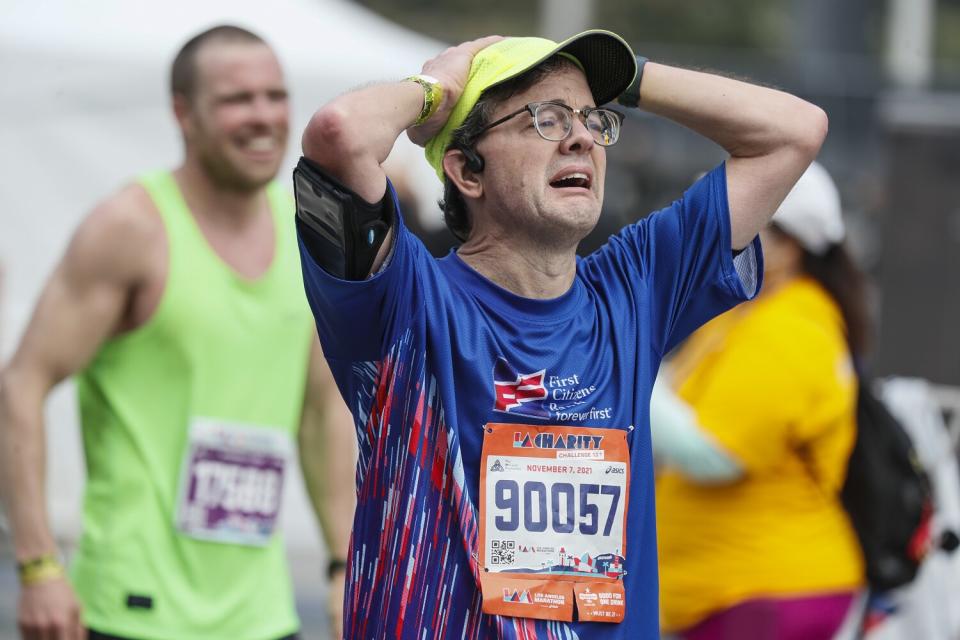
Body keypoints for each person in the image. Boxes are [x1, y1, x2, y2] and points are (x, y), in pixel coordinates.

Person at [293, 30, 826, 639]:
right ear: (467, 171)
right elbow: (338, 134)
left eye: (594, 121)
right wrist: (436, 91)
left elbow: (794, 132)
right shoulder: (407, 303)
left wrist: (625, 79)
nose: (580, 137)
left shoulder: (633, 291)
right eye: (543, 120)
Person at [0, 25, 354, 640]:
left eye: (275, 95)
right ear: (182, 112)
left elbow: (322, 411)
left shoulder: (307, 236)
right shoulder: (131, 228)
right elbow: (21, 385)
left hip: (263, 616)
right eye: (237, 99)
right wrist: (37, 565)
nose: (263, 116)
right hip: (129, 611)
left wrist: (343, 563)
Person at [652, 162, 868, 639]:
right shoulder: (754, 312)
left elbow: (715, 453)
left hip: (765, 593)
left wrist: (620, 375)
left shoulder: (790, 330)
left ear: (789, 244)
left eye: (735, 223)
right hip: (741, 591)